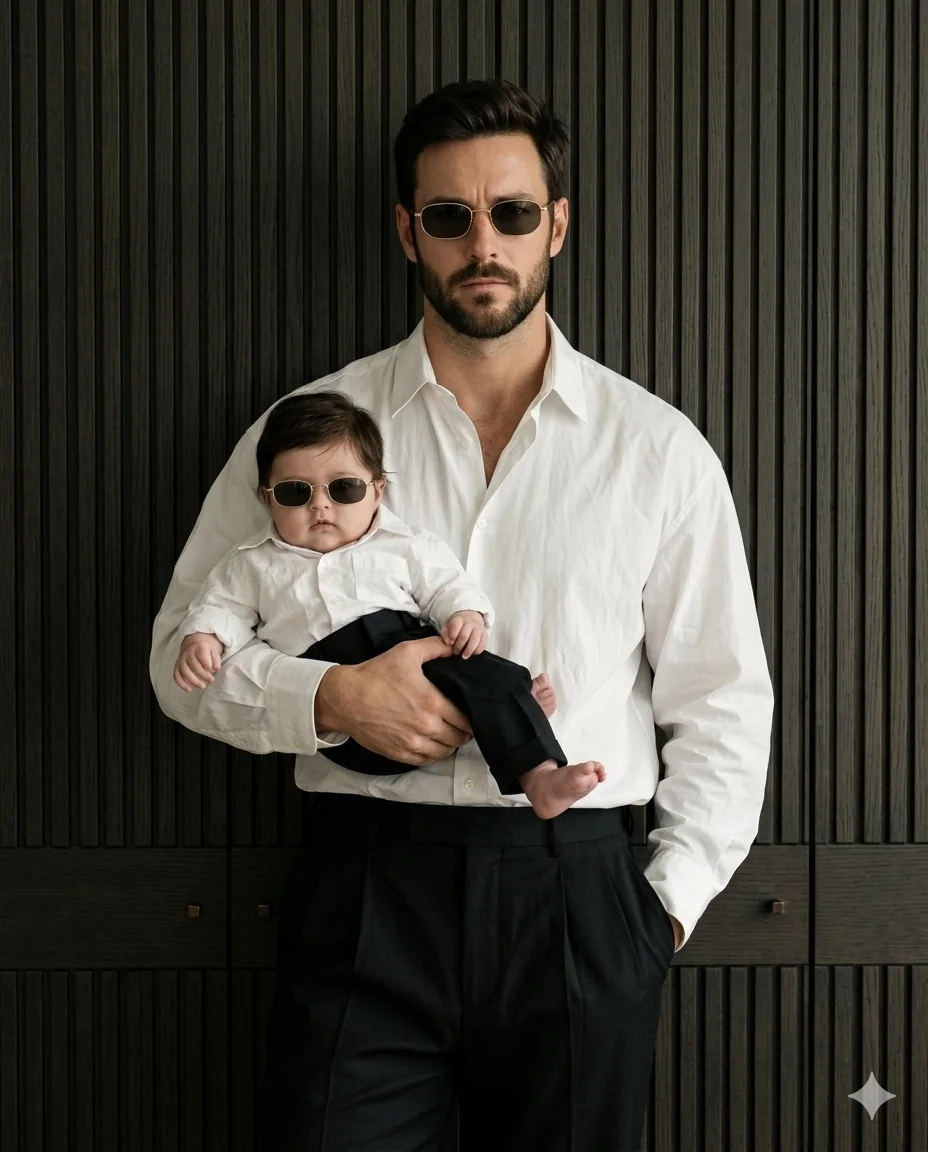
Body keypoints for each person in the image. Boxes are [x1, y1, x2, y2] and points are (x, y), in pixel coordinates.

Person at [150, 78, 774, 1152]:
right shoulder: (306, 436)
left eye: (512, 213)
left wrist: (660, 911)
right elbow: (178, 659)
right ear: (409, 232)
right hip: (364, 890)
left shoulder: (657, 450)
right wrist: (330, 698)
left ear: (555, 226)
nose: (483, 244)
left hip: (578, 901)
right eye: (450, 216)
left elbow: (723, 701)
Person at [172, 389, 606, 820]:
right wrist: (204, 638)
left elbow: (446, 585)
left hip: (409, 648)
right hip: (342, 718)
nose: (319, 504)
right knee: (489, 686)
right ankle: (508, 710)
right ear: (267, 497)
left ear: (377, 491)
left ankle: (537, 771)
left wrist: (464, 614)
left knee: (487, 672)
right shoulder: (251, 563)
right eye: (294, 492)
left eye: (344, 488)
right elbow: (221, 606)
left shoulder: (404, 545)